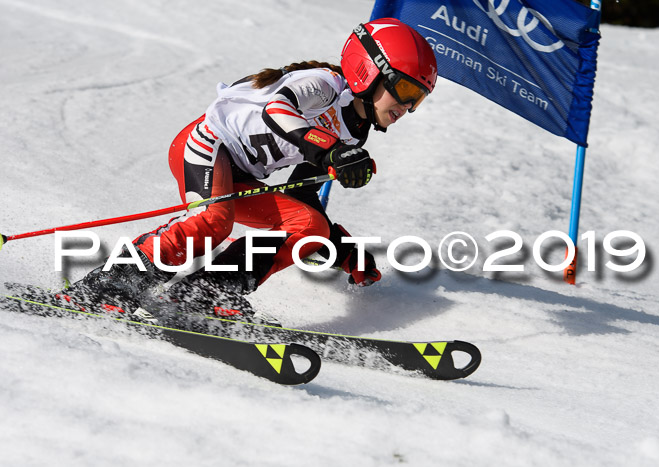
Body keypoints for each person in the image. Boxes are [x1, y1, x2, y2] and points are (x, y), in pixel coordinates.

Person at [69, 18, 438, 319]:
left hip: (242, 174)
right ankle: (108, 286)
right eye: (404, 90)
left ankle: (206, 292)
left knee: (308, 225)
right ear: (368, 72)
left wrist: (336, 245)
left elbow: (302, 193)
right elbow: (277, 111)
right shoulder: (325, 84)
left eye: (417, 99)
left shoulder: (354, 135)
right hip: (207, 144)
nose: (407, 106)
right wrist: (331, 150)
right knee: (212, 221)